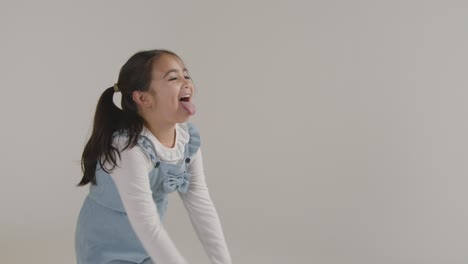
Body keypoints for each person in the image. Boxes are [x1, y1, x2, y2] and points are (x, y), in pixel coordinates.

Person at [75, 49, 232, 264]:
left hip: (148, 249)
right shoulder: (128, 149)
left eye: (186, 75)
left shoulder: (187, 139)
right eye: (173, 78)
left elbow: (200, 204)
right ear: (142, 98)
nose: (186, 83)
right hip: (106, 250)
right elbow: (146, 224)